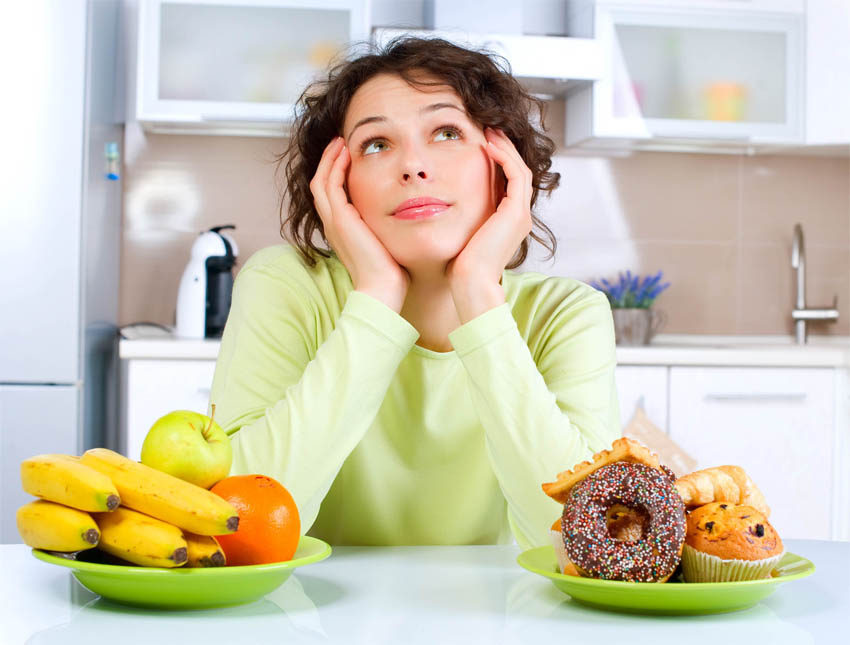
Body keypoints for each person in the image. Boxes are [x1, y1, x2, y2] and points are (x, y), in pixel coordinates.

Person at [208, 37, 619, 550]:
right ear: (339, 184)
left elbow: (587, 543)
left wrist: (478, 297)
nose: (413, 167)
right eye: (376, 144)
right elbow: (236, 526)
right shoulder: (285, 284)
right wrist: (377, 298)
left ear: (504, 166)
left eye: (446, 132)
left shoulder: (566, 313)